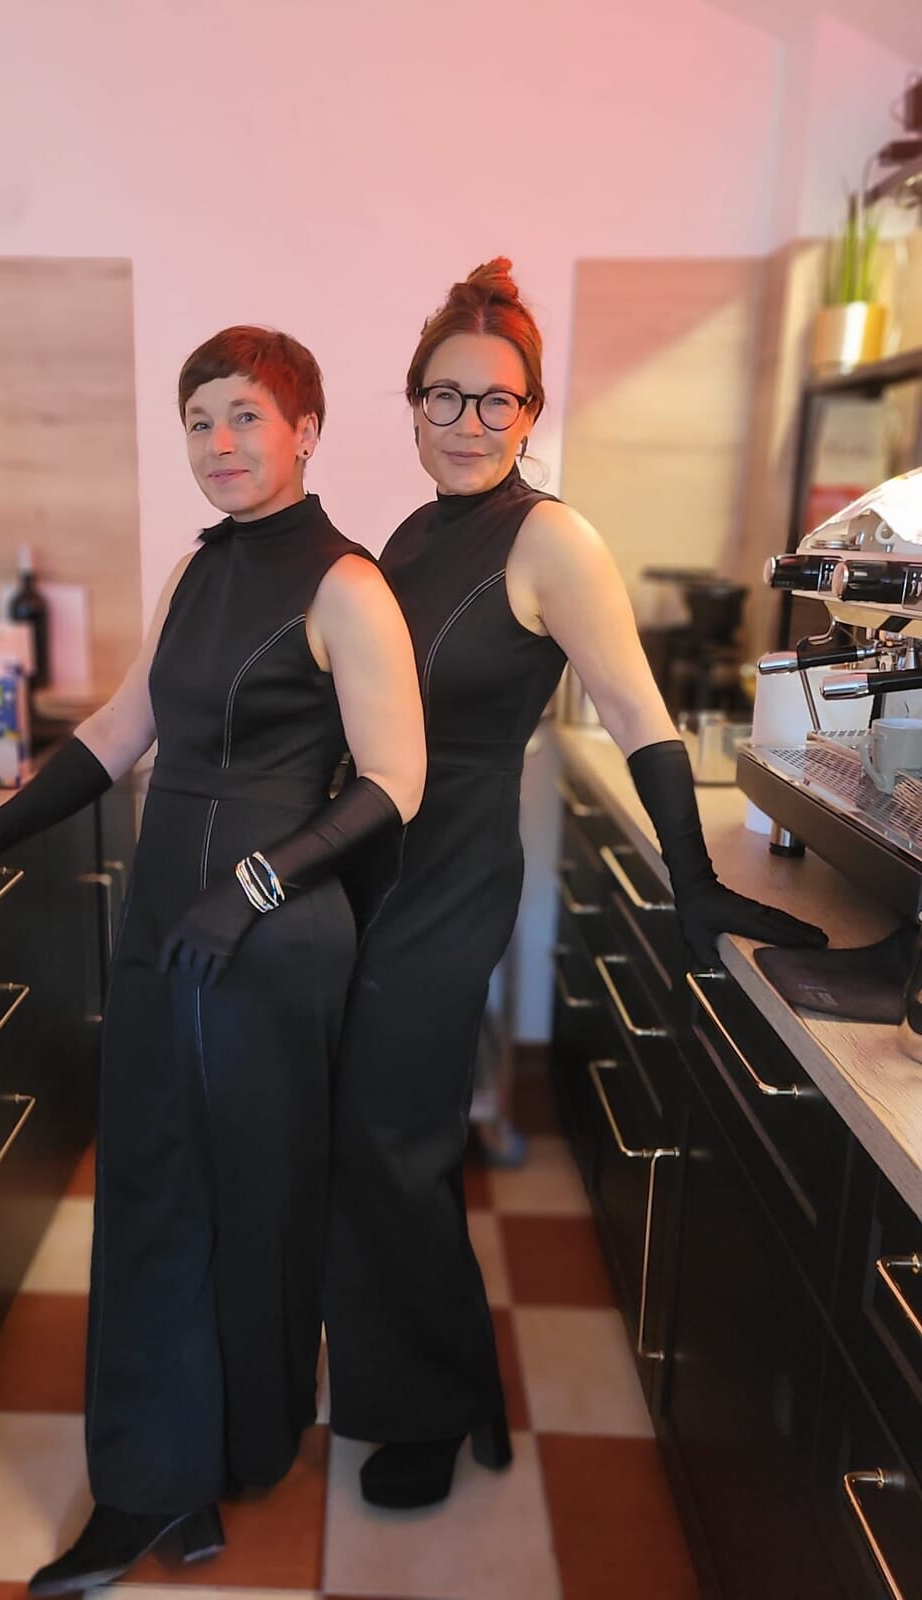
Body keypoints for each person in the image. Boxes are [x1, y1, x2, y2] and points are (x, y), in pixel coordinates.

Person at [0, 327, 426, 1593]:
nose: (221, 445)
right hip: (168, 928)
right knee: (173, 1191)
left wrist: (245, 889)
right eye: (199, 421)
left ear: (303, 428)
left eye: (246, 416)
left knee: (195, 1199)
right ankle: (214, 1454)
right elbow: (118, 734)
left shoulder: (348, 584)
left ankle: (154, 1481)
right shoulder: (198, 571)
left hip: (262, 936)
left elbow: (396, 780)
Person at [322, 259, 826, 1512]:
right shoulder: (407, 535)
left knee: (390, 1140)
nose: (470, 423)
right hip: (368, 873)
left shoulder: (551, 539)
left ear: (532, 411)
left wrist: (694, 882)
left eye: (499, 401)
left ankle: (435, 1409)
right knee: (385, 1142)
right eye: (447, 397)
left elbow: (643, 718)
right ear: (414, 403)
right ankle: (439, 1385)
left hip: (448, 886)